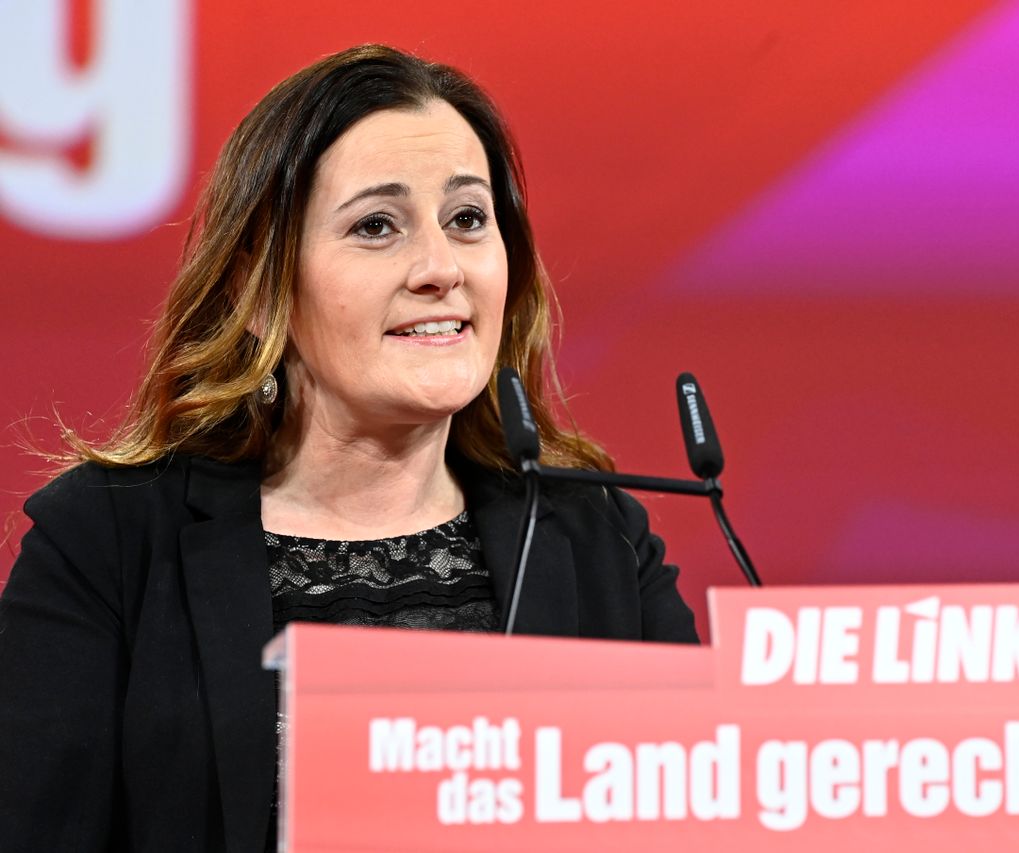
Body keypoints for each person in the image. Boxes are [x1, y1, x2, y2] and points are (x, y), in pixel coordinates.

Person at [0, 44, 698, 852]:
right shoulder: (108, 541)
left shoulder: (594, 535)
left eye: (468, 219)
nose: (440, 268)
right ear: (259, 289)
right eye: (376, 226)